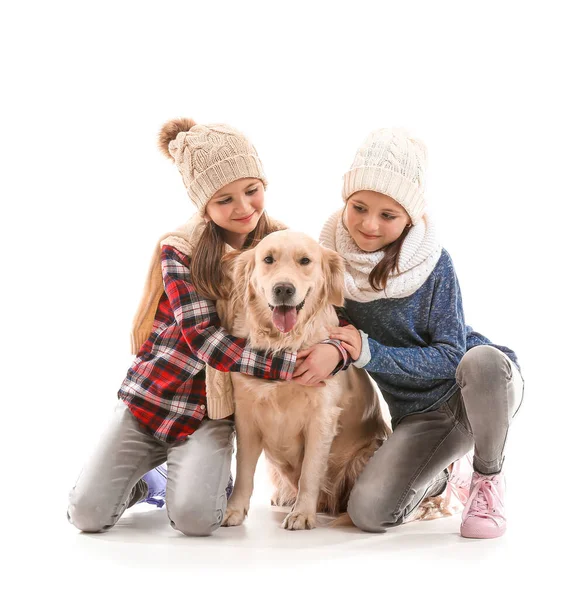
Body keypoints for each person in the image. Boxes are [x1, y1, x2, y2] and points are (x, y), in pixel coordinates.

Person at [67, 118, 347, 536]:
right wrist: (299, 367)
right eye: (224, 199)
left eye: (252, 190)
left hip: (211, 411)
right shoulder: (180, 250)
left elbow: (323, 305)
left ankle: (195, 479)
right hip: (154, 397)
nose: (243, 207)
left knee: (196, 521)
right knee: (87, 514)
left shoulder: (282, 244)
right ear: (204, 205)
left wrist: (342, 348)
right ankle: (150, 482)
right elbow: (207, 343)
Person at [318, 128, 524, 538]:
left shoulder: (434, 264)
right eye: (359, 207)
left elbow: (451, 355)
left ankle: (487, 476)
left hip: (477, 390)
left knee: (480, 359)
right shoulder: (332, 266)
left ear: (410, 218)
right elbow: (338, 341)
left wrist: (369, 351)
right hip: (420, 417)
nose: (370, 224)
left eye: (388, 215)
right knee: (368, 513)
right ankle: (441, 478)